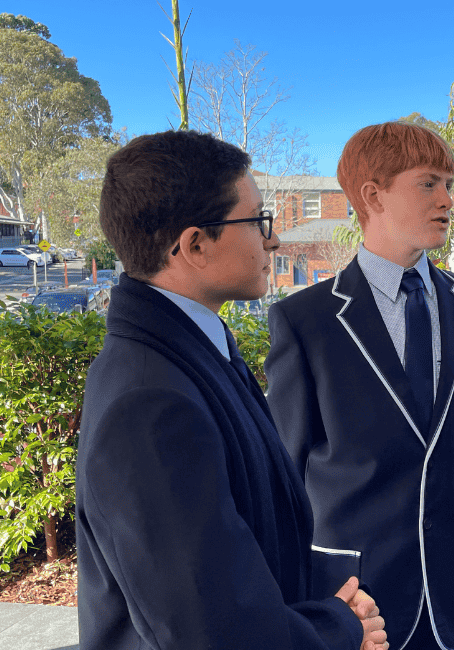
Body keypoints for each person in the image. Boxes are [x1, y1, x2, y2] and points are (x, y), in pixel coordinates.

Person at [77, 130, 387, 650]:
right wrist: (339, 628)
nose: (273, 240)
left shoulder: (194, 352)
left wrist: (328, 604)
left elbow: (244, 540)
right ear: (195, 245)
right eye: (259, 220)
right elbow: (213, 628)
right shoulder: (150, 402)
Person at [265, 122, 454, 650]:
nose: (448, 200)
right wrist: (300, 604)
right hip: (356, 601)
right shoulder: (307, 321)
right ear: (373, 195)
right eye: (429, 184)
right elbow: (287, 476)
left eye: (449, 184)